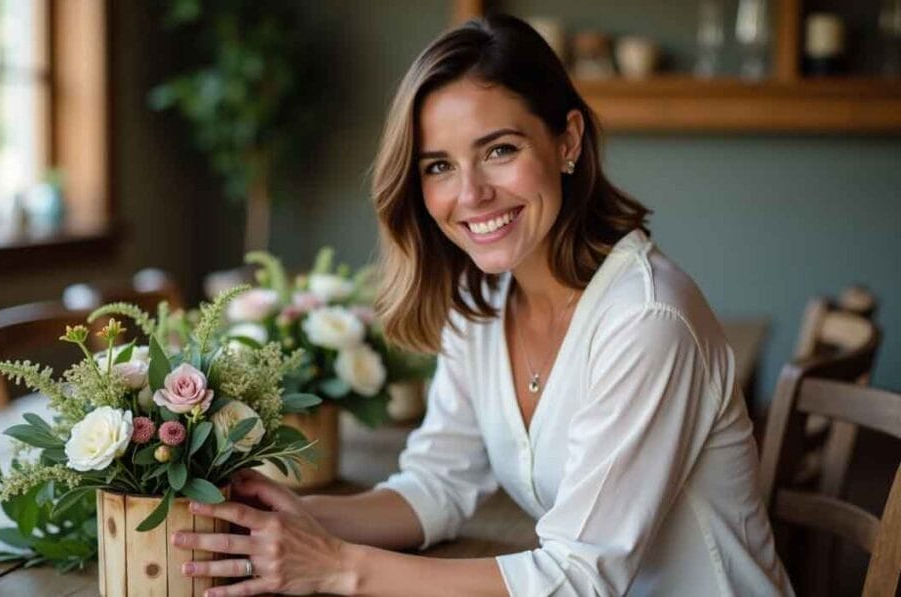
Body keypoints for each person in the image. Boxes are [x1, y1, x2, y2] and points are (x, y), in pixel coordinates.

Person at [169, 14, 794, 596]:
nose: (471, 194)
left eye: (500, 150)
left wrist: (336, 567)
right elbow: (437, 486)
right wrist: (297, 517)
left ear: (567, 141)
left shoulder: (647, 321)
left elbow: (579, 578)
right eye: (439, 166)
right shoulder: (484, 303)